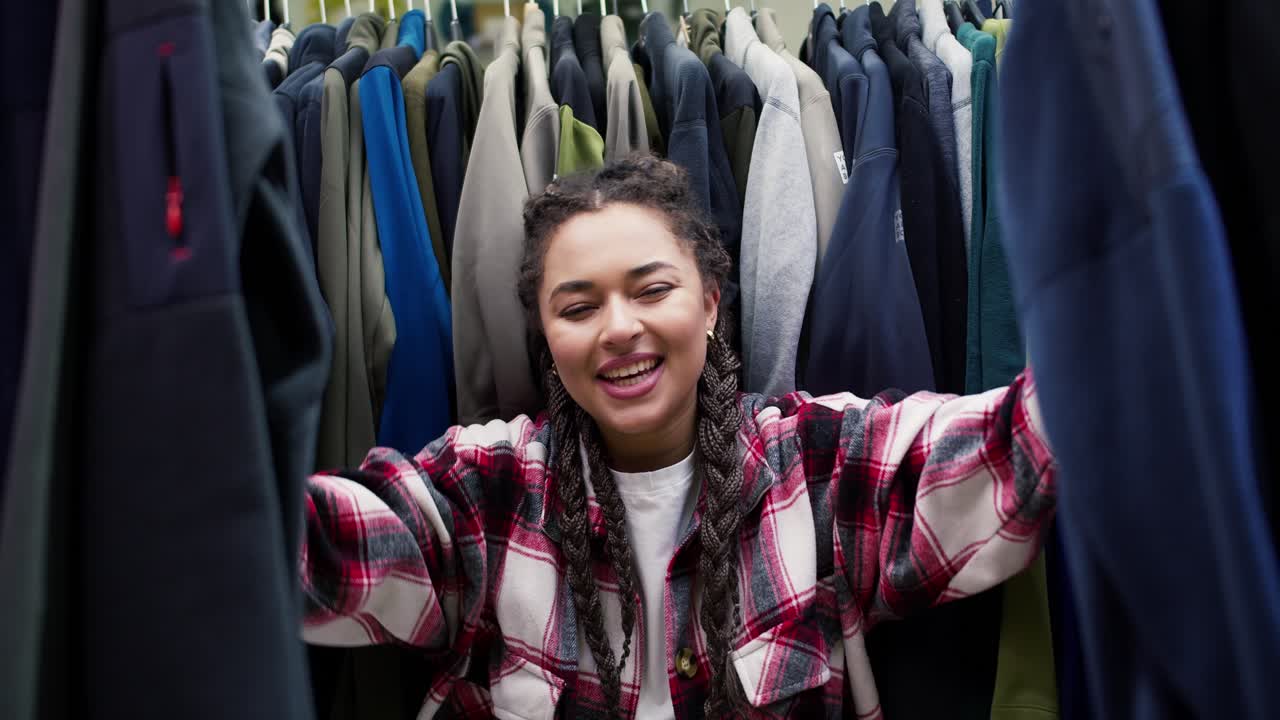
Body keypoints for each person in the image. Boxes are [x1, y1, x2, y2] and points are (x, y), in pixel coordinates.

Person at [299, 157, 1056, 719]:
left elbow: (1012, 447)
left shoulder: (817, 463)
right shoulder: (487, 489)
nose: (620, 328)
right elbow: (324, 546)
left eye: (652, 290)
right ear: (548, 339)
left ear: (711, 305)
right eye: (578, 307)